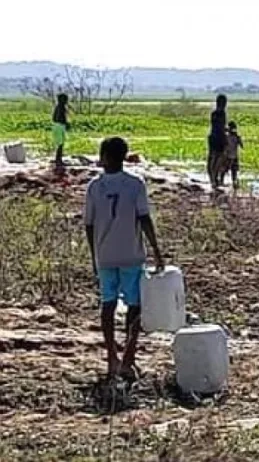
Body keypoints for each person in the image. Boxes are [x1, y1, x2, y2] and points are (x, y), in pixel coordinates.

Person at [84, 137, 164, 379]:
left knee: (108, 304)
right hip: (131, 254)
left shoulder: (95, 187)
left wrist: (94, 256)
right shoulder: (135, 184)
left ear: (105, 157)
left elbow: (89, 225)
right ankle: (128, 358)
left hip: (105, 255)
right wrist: (156, 249)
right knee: (134, 305)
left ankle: (112, 357)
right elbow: (144, 218)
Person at [208, 94, 228, 189]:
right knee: (217, 159)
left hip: (214, 137)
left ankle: (214, 179)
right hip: (218, 138)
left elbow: (218, 127)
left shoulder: (215, 113)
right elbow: (220, 127)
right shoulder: (221, 114)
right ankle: (214, 179)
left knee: (214, 159)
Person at [223, 121, 244, 189]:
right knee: (232, 171)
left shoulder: (227, 137)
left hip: (229, 156)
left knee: (226, 170)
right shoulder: (235, 137)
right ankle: (233, 183)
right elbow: (242, 146)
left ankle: (223, 181)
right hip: (232, 156)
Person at [52, 93, 70, 170]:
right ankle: (58, 160)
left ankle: (58, 159)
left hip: (57, 126)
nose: (66, 101)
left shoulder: (58, 107)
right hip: (59, 126)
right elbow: (59, 118)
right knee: (60, 144)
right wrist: (66, 124)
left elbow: (53, 118)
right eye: (65, 99)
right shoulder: (61, 107)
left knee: (60, 144)